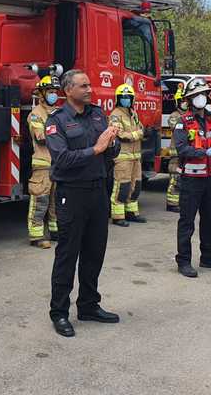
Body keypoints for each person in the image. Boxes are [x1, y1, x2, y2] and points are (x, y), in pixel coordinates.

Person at [45, 69, 121, 338]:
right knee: (68, 254)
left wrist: (113, 143)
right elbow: (62, 159)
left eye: (90, 85)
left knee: (94, 252)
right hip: (72, 193)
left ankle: (89, 305)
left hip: (98, 191)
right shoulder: (57, 121)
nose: (90, 89)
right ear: (68, 91)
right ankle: (59, 312)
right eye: (84, 86)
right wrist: (97, 149)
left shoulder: (98, 114)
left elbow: (109, 153)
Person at [172, 77, 211, 278]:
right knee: (187, 221)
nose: (200, 98)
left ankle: (208, 256)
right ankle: (184, 261)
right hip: (191, 179)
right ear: (189, 99)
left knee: (209, 220)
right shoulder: (183, 122)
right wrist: (204, 153)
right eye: (196, 95)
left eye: (203, 94)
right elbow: (181, 148)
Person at [26, 75, 61, 249]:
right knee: (41, 201)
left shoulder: (61, 112)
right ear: (42, 93)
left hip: (59, 164)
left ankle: (55, 231)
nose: (53, 94)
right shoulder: (36, 114)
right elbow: (41, 137)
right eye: (50, 91)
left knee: (57, 201)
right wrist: (60, 132)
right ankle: (36, 235)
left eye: (55, 91)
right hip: (43, 165)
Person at [109, 83, 146, 226]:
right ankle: (118, 216)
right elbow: (119, 134)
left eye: (128, 97)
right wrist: (137, 134)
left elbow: (141, 128)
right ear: (118, 98)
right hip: (123, 157)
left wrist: (140, 132)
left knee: (135, 185)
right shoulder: (115, 115)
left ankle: (132, 213)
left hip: (135, 156)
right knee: (122, 187)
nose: (126, 99)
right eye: (123, 97)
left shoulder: (133, 113)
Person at [164, 82, 187, 212]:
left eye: (186, 100)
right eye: (182, 101)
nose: (184, 103)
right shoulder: (174, 116)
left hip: (186, 152)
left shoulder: (189, 115)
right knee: (175, 178)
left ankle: (180, 201)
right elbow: (177, 128)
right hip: (176, 153)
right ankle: (171, 204)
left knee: (184, 179)